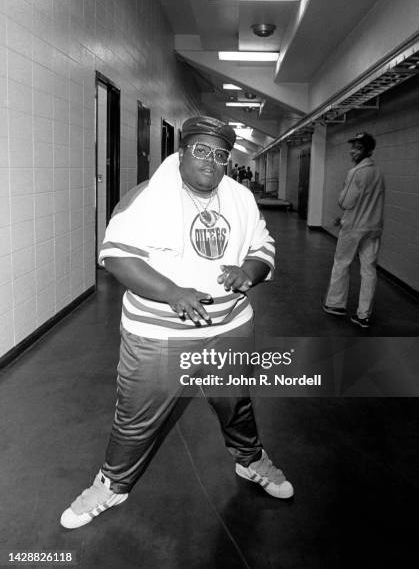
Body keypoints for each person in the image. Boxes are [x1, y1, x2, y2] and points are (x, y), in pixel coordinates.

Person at [60, 116, 293, 530]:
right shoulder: (147, 196)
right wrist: (172, 292)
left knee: (235, 403)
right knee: (135, 418)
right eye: (201, 150)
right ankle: (112, 483)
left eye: (220, 154)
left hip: (229, 327)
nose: (211, 160)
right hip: (159, 335)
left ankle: (250, 460)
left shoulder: (240, 197)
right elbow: (116, 256)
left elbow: (264, 247)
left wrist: (250, 271)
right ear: (182, 151)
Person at [322, 132, 385, 328]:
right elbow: (370, 203)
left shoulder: (357, 172)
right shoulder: (378, 173)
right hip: (373, 228)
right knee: (369, 270)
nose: (353, 151)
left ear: (368, 151)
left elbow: (345, 202)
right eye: (353, 147)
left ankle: (336, 304)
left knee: (342, 263)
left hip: (353, 228)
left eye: (358, 148)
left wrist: (343, 191)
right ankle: (363, 315)